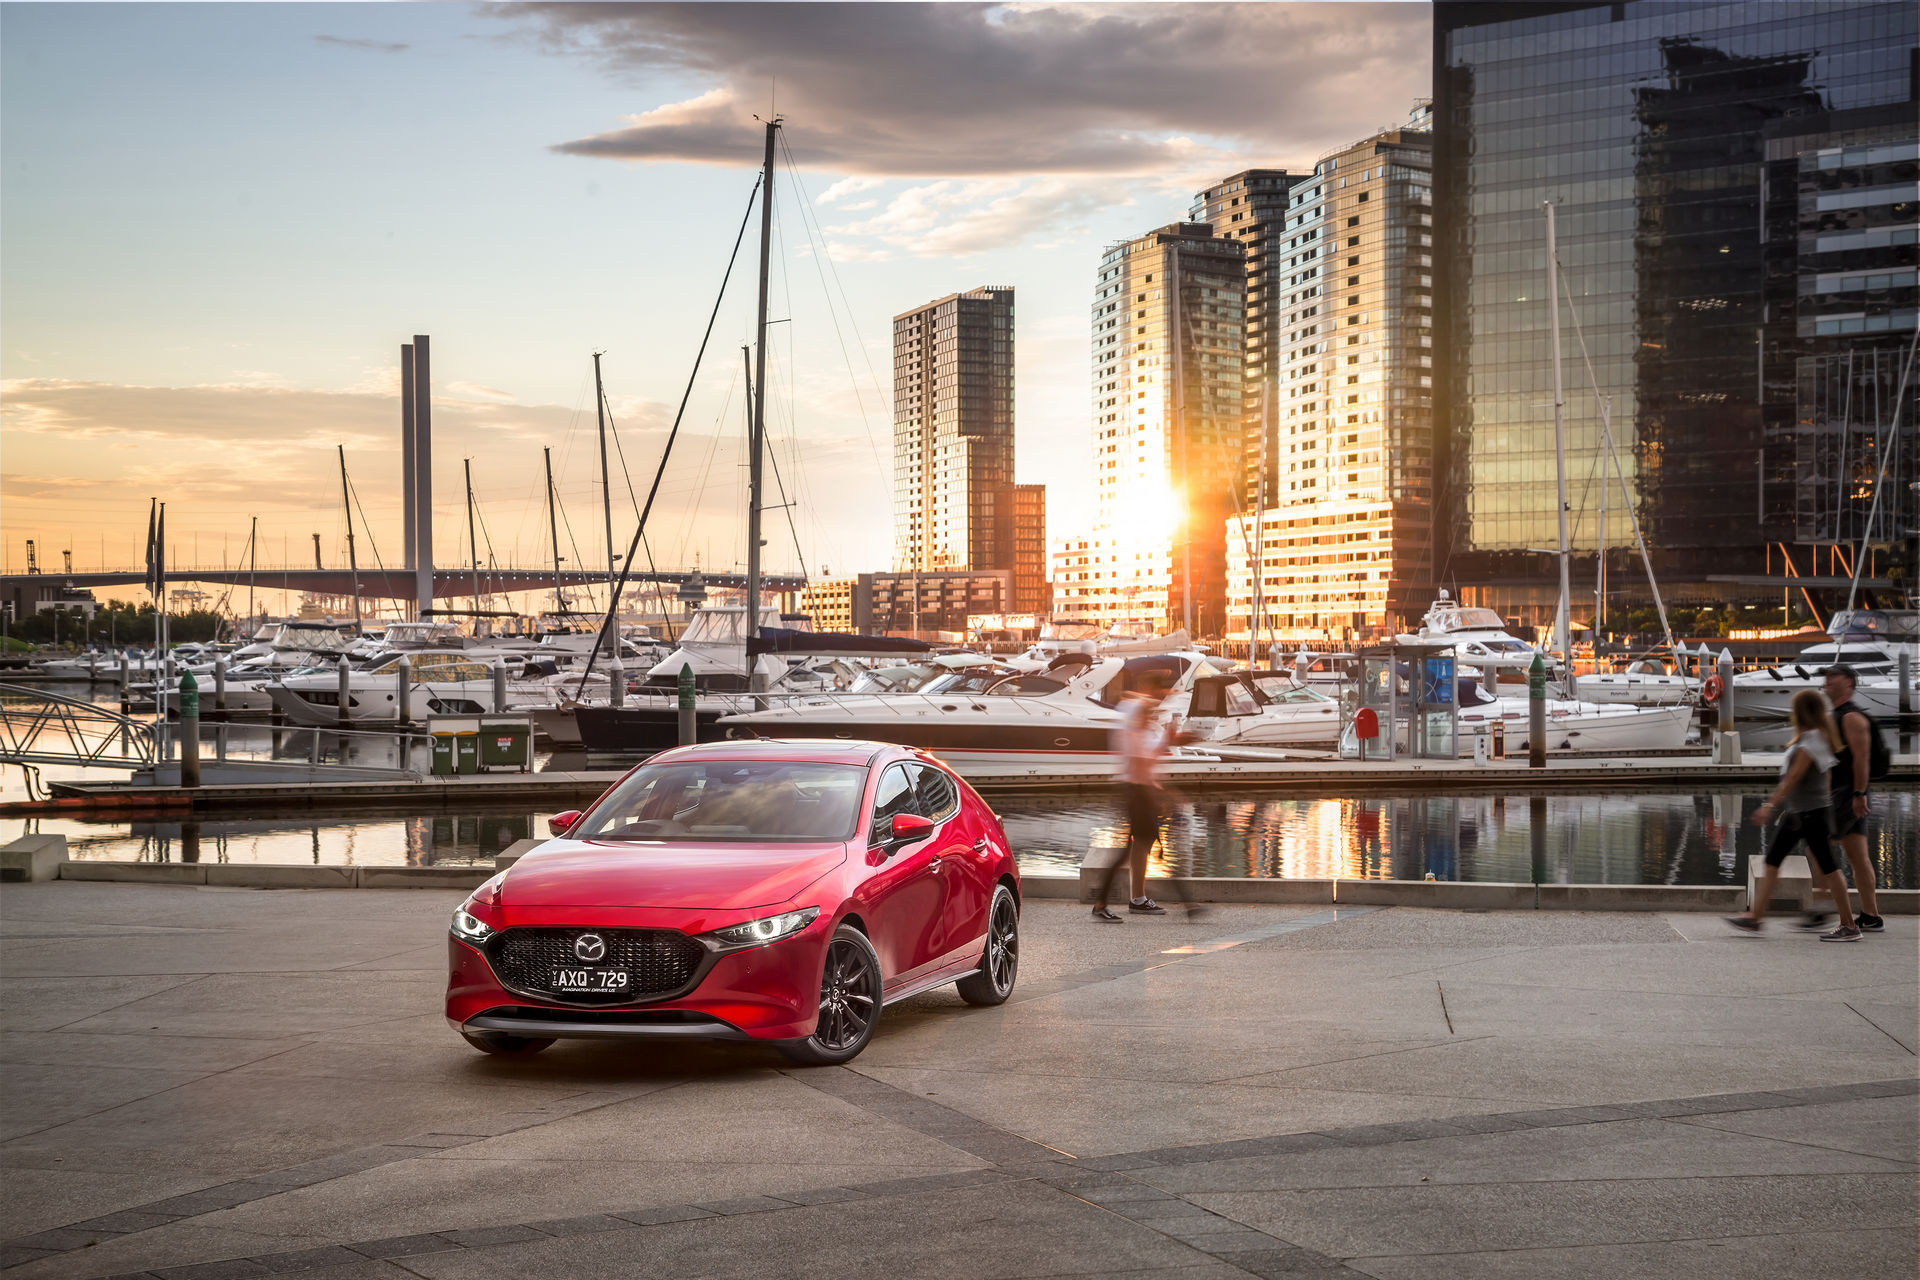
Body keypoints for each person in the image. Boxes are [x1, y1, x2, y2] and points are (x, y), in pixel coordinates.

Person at [1726, 689, 1860, 940]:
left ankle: (1849, 925)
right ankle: (1754, 918)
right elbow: (1826, 777)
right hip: (1801, 813)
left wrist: (1768, 807)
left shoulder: (1810, 742)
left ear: (1801, 712)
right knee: (1773, 861)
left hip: (1811, 815)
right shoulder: (1817, 737)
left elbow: (1793, 778)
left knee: (1830, 869)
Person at [1093, 672, 1198, 922]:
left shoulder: (1139, 711)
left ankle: (1138, 900)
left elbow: (1149, 753)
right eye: (1161, 693)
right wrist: (1156, 792)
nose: (1161, 701)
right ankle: (1107, 903)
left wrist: (1174, 740)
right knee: (1138, 845)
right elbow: (1141, 762)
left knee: (1143, 843)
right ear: (1151, 689)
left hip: (1138, 789)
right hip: (1137, 790)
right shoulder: (1137, 714)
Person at [1811, 664, 1885, 932]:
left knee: (1817, 846)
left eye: (1834, 677)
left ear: (1849, 683)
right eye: (1826, 677)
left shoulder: (1851, 717)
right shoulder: (1838, 715)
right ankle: (1871, 915)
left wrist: (1859, 794)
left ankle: (1819, 908)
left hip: (1846, 794)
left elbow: (1862, 759)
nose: (1827, 680)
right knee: (1857, 856)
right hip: (1845, 793)